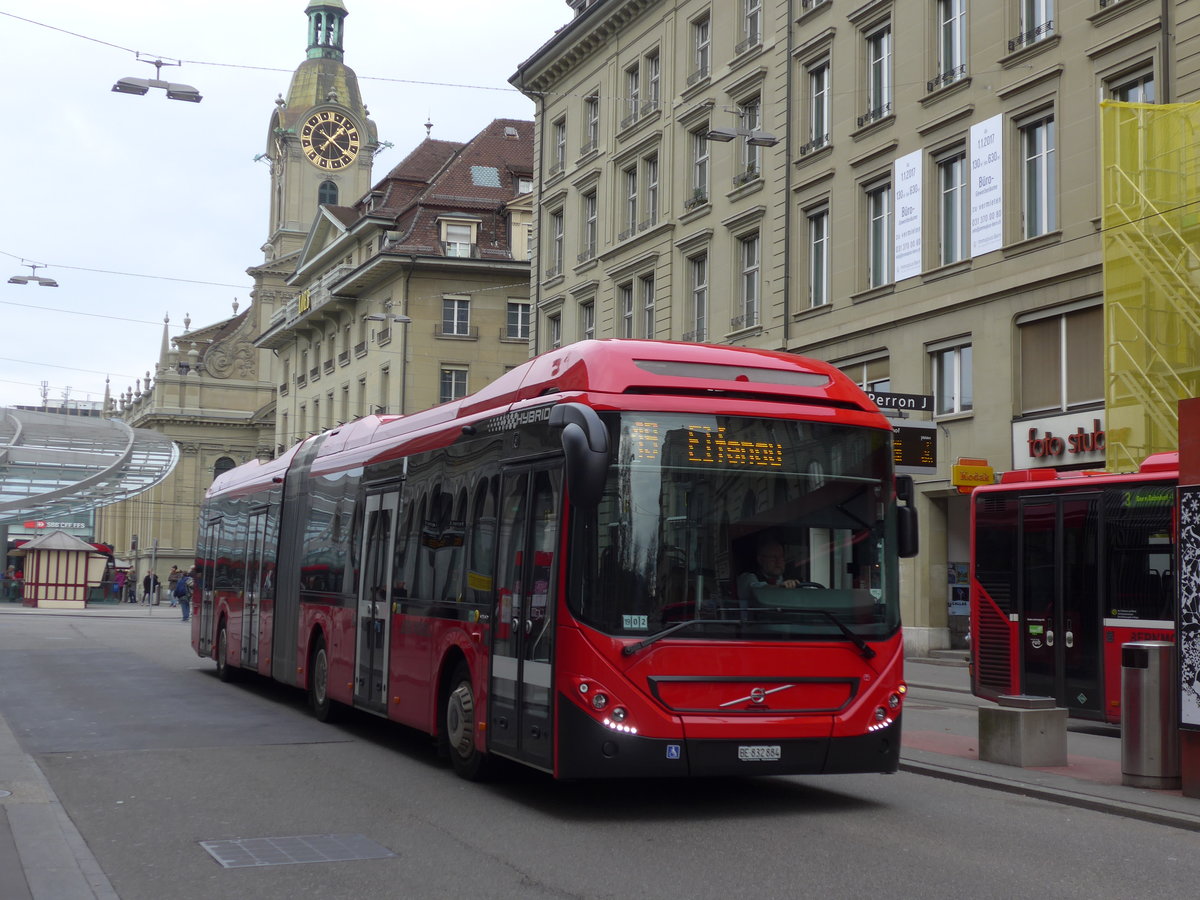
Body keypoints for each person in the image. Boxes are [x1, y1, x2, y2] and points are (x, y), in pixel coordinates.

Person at [737, 536, 802, 608]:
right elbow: (759, 590)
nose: (778, 562)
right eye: (773, 557)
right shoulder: (747, 577)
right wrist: (781, 587)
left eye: (781, 557)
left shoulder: (790, 578)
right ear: (760, 560)